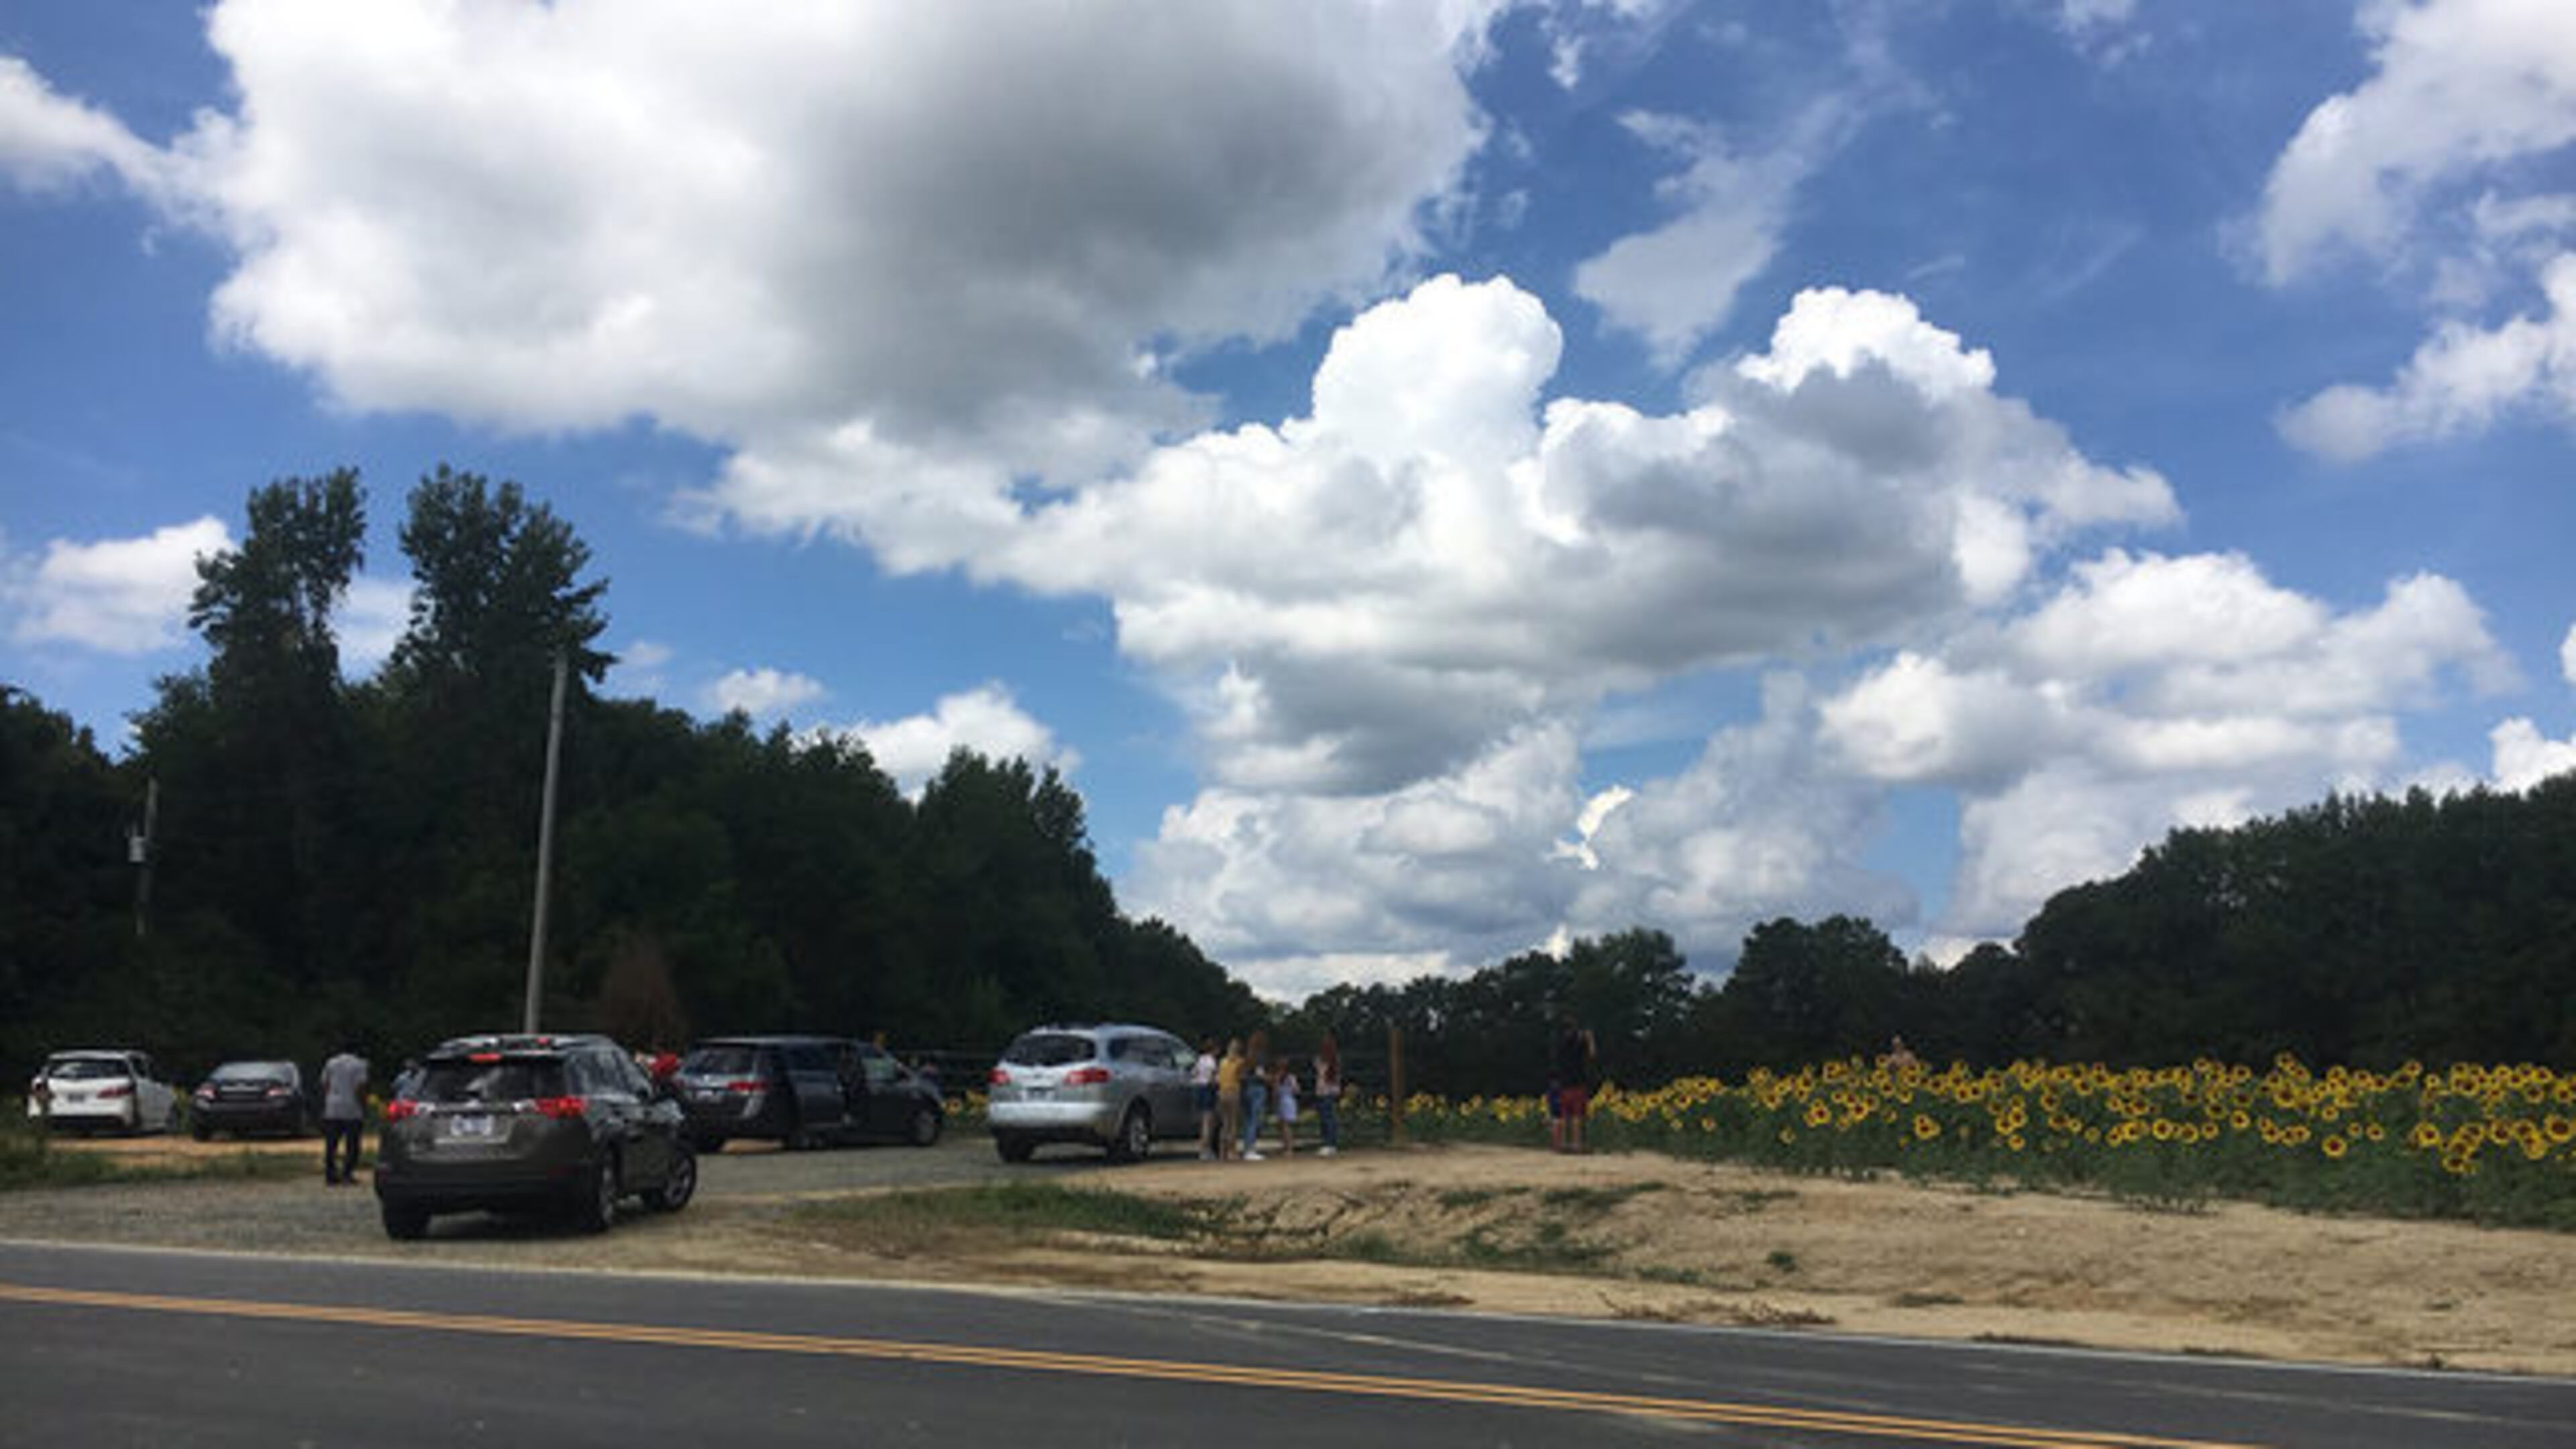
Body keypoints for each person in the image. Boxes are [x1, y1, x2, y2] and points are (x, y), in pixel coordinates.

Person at [318, 1041, 370, 1186]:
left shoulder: (331, 1063)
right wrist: (364, 1106)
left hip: (333, 1108)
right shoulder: (359, 1065)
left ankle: (330, 1175)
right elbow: (360, 1087)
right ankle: (347, 1174)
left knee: (331, 1144)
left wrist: (329, 1099)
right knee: (352, 1145)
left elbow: (325, 1083)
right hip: (352, 1109)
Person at [1550, 1014, 1595, 1155]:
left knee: (1563, 1115)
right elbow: (1592, 1055)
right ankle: (1577, 1144)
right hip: (1578, 1082)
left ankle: (1562, 1144)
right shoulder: (1578, 1043)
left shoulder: (1559, 1044)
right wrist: (1590, 1039)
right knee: (1577, 1115)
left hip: (1562, 1083)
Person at [1240, 1030, 1272, 1161]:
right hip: (1258, 1089)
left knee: (1248, 1120)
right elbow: (1261, 1075)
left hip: (1247, 1089)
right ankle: (1250, 1149)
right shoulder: (1260, 1057)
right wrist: (1269, 1078)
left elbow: (1242, 1075)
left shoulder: (1247, 1057)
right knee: (1255, 1120)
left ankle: (1247, 1147)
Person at [1214, 1038, 1246, 1162]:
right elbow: (1241, 1077)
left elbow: (1218, 1078)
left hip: (1222, 1093)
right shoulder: (1240, 1062)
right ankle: (1232, 1152)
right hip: (1233, 1092)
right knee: (1233, 1124)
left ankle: (1222, 1153)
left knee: (1224, 1124)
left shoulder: (1222, 1062)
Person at [1311, 1034, 1342, 1158]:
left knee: (1326, 1119)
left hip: (1323, 1091)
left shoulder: (1320, 1059)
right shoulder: (1336, 1059)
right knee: (1331, 1118)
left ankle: (1328, 1144)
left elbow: (1316, 1067)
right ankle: (1331, 1144)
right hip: (1333, 1091)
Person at [1191, 1036, 1220, 1160]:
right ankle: (1205, 1150)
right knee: (1208, 1122)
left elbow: (1193, 1073)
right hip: (1208, 1089)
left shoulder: (1200, 1060)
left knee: (1203, 1121)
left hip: (1198, 1088)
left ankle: (1202, 1148)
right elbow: (1213, 1078)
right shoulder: (1212, 1061)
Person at [1273, 1057, 1299, 1158]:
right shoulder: (1290, 1077)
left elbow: (1275, 1092)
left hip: (1284, 1101)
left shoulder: (1280, 1078)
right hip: (1288, 1101)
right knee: (1285, 1127)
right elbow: (1296, 1090)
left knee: (1285, 1127)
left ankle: (1288, 1148)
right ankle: (1287, 1147)